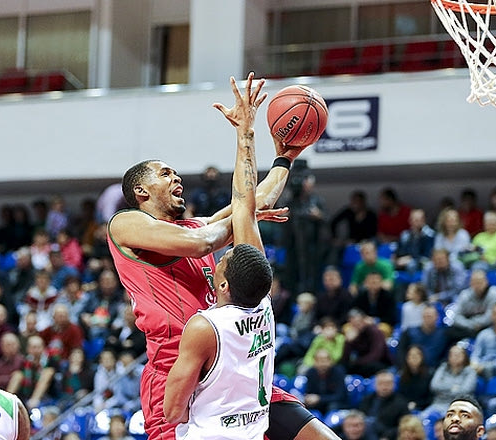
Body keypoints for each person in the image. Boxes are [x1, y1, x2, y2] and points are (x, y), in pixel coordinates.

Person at [108, 73, 337, 440]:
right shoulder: (126, 224)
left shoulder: (195, 225)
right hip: (177, 369)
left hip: (234, 361)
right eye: (165, 174)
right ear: (141, 190)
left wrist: (284, 158)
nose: (176, 177)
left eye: (176, 173)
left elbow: (255, 201)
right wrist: (241, 216)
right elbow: (207, 239)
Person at [422, 345, 477, 420]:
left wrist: (443, 389)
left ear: (464, 356)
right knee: (422, 419)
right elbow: (434, 386)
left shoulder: (470, 371)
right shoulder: (443, 368)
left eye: (458, 355)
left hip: (459, 405)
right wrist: (454, 387)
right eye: (452, 354)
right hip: (438, 404)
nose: (455, 357)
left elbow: (465, 391)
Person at [446, 269, 496, 344]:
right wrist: (470, 324)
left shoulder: (494, 293)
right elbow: (456, 316)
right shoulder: (464, 295)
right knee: (449, 331)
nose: (478, 285)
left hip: (486, 326)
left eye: (480, 282)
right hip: (468, 327)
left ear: (486, 282)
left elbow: (491, 315)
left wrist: (478, 323)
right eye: (475, 282)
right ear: (470, 283)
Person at [359, 369, 410, 440]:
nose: (384, 387)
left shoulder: (401, 403)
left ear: (393, 385)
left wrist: (388, 436)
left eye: (388, 383)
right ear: (375, 385)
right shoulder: (367, 399)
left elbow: (405, 426)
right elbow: (360, 417)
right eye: (381, 383)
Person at [329, 190, 377, 265]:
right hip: (350, 240)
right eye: (353, 201)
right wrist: (335, 237)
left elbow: (373, 232)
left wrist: (360, 241)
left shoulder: (371, 214)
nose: (354, 204)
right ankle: (335, 268)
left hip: (367, 241)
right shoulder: (348, 211)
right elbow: (333, 222)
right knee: (336, 249)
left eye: (357, 202)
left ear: (363, 202)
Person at [341, 308, 392, 377]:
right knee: (343, 367)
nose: (357, 325)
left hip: (380, 363)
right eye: (353, 323)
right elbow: (345, 359)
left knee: (371, 366)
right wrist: (348, 342)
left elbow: (376, 355)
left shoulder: (375, 332)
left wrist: (357, 362)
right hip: (362, 363)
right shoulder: (354, 334)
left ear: (364, 320)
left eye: (358, 322)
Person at [397, 304, 448, 369]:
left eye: (430, 316)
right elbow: (400, 351)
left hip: (435, 369)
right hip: (413, 369)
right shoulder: (410, 332)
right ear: (422, 316)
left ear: (437, 317)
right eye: (426, 316)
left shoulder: (444, 333)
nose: (428, 318)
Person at [302, 347, 348, 414]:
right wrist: (308, 399)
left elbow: (340, 396)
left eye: (325, 360)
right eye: (319, 360)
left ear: (331, 361)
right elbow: (309, 392)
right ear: (314, 361)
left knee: (332, 406)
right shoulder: (311, 372)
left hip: (335, 403)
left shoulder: (338, 372)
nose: (323, 364)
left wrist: (319, 399)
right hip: (318, 404)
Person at [394, 208, 436, 273]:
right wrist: (398, 259)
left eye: (419, 220)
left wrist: (411, 259)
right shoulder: (405, 235)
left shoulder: (430, 235)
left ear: (424, 221)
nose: (416, 222)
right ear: (410, 221)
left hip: (421, 264)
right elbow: (399, 251)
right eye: (414, 220)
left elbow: (427, 256)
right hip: (404, 262)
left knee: (411, 265)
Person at [396, 345, 433, 412]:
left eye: (417, 355)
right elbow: (400, 395)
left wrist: (416, 404)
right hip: (405, 407)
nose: (414, 358)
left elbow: (430, 398)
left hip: (423, 408)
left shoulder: (429, 375)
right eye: (410, 355)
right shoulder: (402, 375)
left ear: (422, 357)